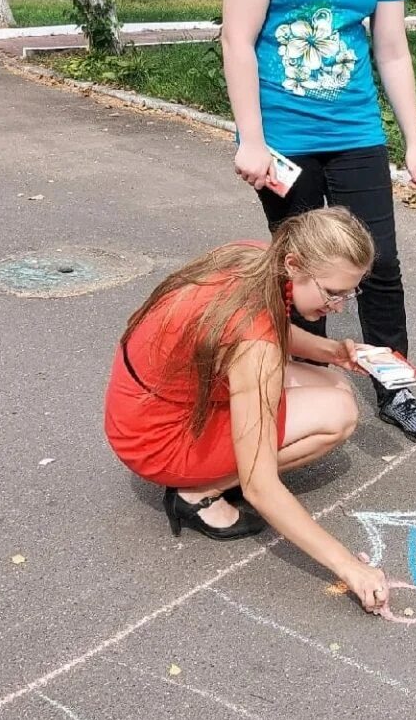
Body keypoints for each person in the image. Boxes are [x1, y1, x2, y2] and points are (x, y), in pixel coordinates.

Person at [221, 0, 416, 447]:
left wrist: (414, 139)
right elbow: (237, 39)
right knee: (304, 272)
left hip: (354, 132)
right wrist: (253, 140)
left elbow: (392, 49)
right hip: (283, 140)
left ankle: (395, 385)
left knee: (379, 263)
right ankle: (306, 380)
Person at [104, 209, 390, 614]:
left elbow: (268, 324)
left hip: (145, 402)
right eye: (333, 293)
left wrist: (333, 352)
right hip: (156, 439)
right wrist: (349, 567)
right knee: (339, 413)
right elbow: (261, 487)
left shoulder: (254, 259)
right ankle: (199, 491)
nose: (341, 307)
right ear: (295, 265)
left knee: (332, 384)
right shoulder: (256, 348)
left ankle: (208, 473)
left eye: (350, 293)